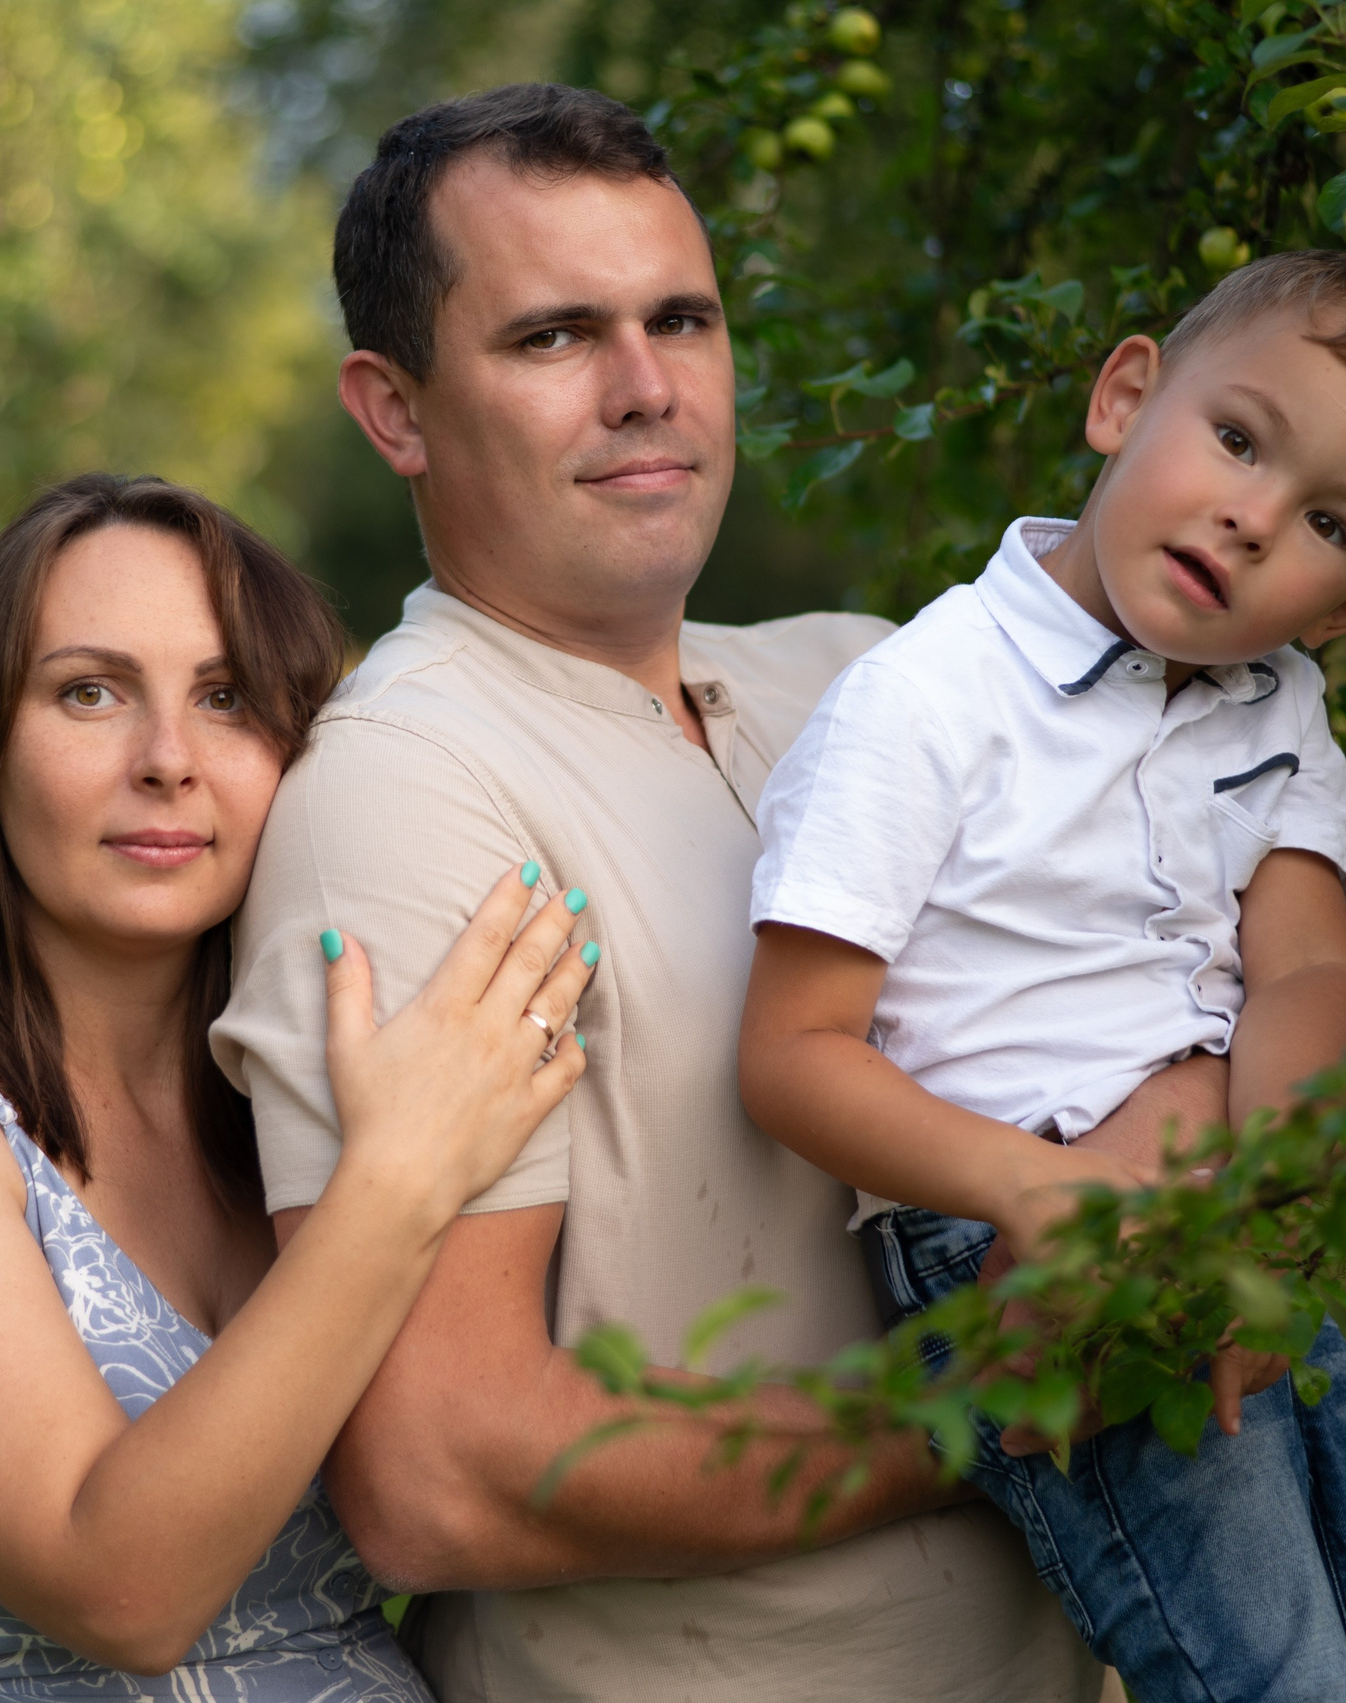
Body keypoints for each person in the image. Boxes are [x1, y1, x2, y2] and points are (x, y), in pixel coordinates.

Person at [212, 84, 1114, 1702]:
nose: (647, 387)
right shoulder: (412, 787)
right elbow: (441, 1470)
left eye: (681, 319)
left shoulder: (862, 681)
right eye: (556, 336)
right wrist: (983, 1403)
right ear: (395, 409)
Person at [738, 250, 1346, 1701]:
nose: (1253, 516)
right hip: (1015, 1231)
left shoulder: (1277, 702)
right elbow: (792, 1052)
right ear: (1125, 396)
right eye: (1238, 438)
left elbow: (1309, 971)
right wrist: (1046, 1191)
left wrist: (1276, 1206)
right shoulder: (927, 697)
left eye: (1327, 521)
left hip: (1231, 1192)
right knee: (1272, 1670)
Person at [0, 472, 598, 1699]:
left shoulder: (297, 1105)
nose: (168, 761)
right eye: (90, 692)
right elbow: (117, 1586)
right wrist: (398, 1183)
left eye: (226, 696)